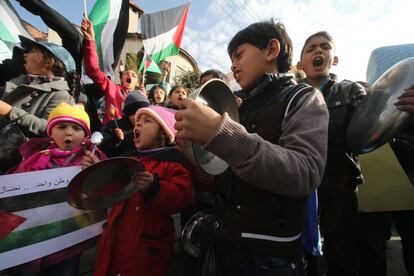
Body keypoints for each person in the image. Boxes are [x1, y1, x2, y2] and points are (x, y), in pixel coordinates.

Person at [174, 19, 329, 275]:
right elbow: (220, 173)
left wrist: (220, 133)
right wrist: (192, 144)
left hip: (271, 257)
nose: (233, 65)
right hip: (227, 242)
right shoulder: (240, 106)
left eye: (239, 54)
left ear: (271, 50)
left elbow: (305, 172)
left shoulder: (303, 98)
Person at [296, 31, 414, 276]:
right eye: (311, 48)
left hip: (340, 195)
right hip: (298, 197)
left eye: (324, 47)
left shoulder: (350, 92)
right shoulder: (289, 98)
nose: (318, 51)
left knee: (343, 260)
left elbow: (381, 127)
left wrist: (406, 114)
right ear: (300, 63)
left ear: (334, 59)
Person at [83, 105, 192, 276]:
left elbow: (181, 198)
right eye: (137, 122)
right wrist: (97, 169)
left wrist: (154, 186)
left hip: (145, 250)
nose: (137, 125)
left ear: (163, 132)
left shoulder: (173, 164)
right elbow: (111, 188)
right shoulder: (129, 161)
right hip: (115, 241)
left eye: (147, 121)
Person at [7, 102, 105, 276]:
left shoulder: (92, 157)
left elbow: (108, 186)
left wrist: (95, 171)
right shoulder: (36, 158)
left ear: (85, 134)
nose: (69, 132)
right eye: (61, 127)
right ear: (50, 131)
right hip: (35, 233)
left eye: (76, 128)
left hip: (70, 237)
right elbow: (15, 190)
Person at [0, 36, 76, 173]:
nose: (26, 54)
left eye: (34, 51)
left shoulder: (61, 96)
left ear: (49, 61)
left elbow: (52, 130)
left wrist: (10, 111)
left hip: (20, 168)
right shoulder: (18, 81)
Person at [81, 17, 143, 124]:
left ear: (137, 82)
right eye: (127, 73)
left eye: (134, 75)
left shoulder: (141, 97)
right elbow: (92, 70)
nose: (130, 75)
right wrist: (90, 40)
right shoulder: (112, 87)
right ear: (121, 77)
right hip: (109, 133)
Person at [99, 91, 150, 157]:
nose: (141, 118)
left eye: (146, 114)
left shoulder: (149, 127)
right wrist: (113, 140)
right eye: (138, 113)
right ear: (129, 113)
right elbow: (101, 149)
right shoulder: (113, 126)